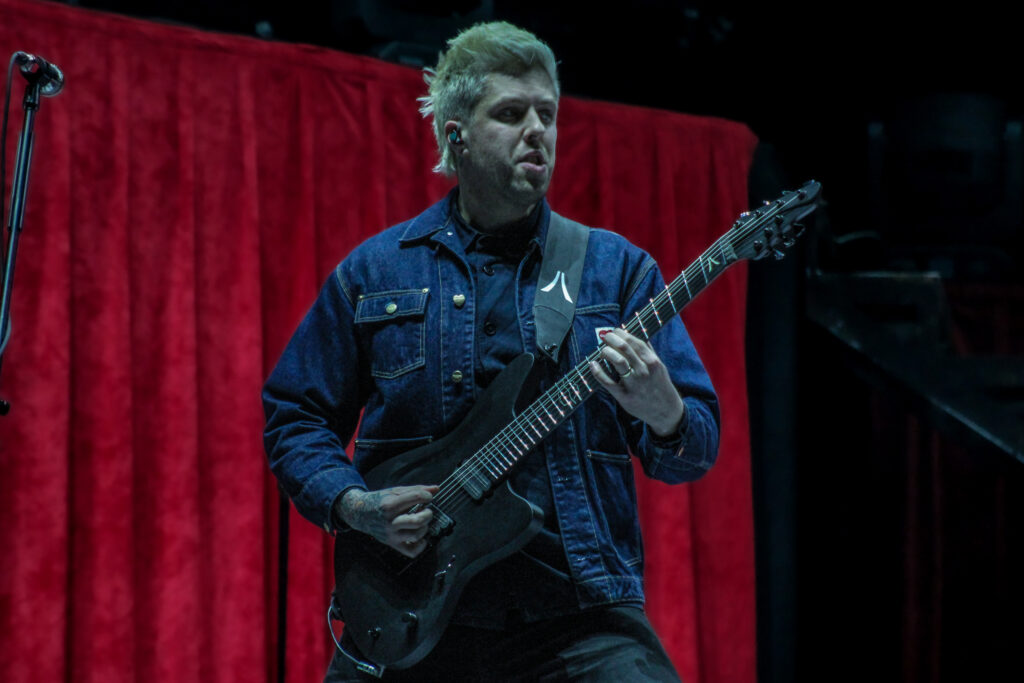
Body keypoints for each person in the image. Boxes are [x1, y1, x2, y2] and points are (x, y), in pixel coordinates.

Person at [263, 21, 720, 682]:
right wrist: (357, 507)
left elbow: (694, 447)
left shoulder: (616, 273)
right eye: (511, 113)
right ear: (457, 135)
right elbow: (294, 416)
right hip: (412, 608)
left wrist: (665, 411)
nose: (538, 129)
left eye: (548, 114)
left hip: (579, 615)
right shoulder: (376, 273)